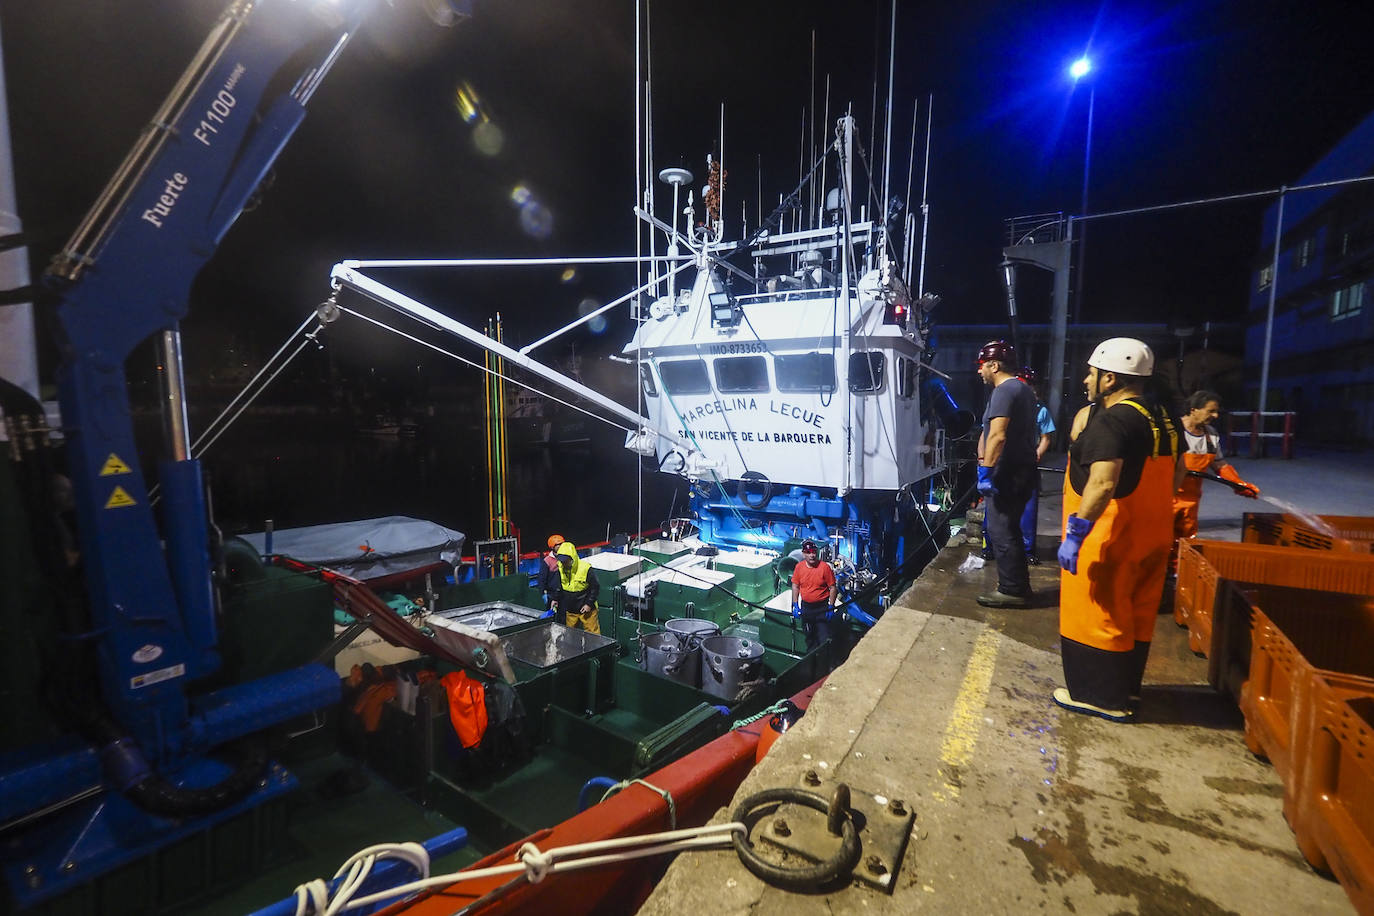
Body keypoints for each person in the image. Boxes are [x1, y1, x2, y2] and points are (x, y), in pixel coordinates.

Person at [1055, 338, 1181, 722]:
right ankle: (1127, 690)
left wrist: (1077, 534)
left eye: (1092, 374)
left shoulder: (1113, 420)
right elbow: (1179, 475)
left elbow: (1103, 483)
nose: (1087, 380)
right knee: (1137, 615)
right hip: (1154, 534)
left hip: (1111, 538)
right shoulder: (1163, 417)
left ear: (1109, 379)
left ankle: (1099, 697)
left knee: (1100, 615)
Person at [974, 340, 1040, 608]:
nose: (979, 372)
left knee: (999, 529)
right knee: (1009, 527)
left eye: (982, 366)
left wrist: (986, 471)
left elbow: (998, 435)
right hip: (1023, 470)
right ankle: (1018, 585)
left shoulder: (1003, 391)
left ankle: (1012, 590)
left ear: (994, 365)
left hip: (1008, 472)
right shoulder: (1023, 389)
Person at [1172, 390, 1259, 553]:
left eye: (1217, 411)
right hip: (1169, 496)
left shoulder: (1210, 435)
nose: (1216, 415)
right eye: (1211, 411)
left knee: (1185, 540)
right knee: (1161, 538)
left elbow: (1219, 464)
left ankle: (1177, 573)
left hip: (1191, 500)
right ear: (1193, 410)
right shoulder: (1173, 430)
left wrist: (1238, 484)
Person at [1017, 367, 1057, 565]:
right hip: (1005, 463)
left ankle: (1027, 550)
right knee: (998, 510)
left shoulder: (1041, 410)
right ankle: (990, 547)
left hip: (1027, 464)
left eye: (1032, 385)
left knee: (1028, 509)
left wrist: (1037, 454)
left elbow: (1046, 437)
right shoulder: (1007, 406)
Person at [789, 539, 838, 651]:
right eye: (809, 552)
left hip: (822, 608)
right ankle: (811, 662)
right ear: (803, 554)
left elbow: (832, 587)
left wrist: (831, 606)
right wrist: (795, 604)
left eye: (814, 552)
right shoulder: (799, 568)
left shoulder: (824, 567)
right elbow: (795, 586)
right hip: (807, 608)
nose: (812, 555)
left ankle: (824, 663)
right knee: (810, 638)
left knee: (823, 638)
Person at [552, 540, 600, 634]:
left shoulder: (585, 568)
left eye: (566, 561)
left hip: (586, 609)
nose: (563, 563)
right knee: (570, 634)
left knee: (593, 634)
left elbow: (595, 587)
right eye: (562, 561)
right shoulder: (560, 568)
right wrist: (555, 599)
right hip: (571, 609)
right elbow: (559, 585)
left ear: (572, 558)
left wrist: (588, 604)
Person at [539, 534, 565, 613]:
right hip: (552, 594)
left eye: (561, 544)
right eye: (557, 545)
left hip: (564, 593)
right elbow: (542, 578)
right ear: (552, 547)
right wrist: (543, 592)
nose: (560, 546)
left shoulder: (566, 557)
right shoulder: (547, 561)